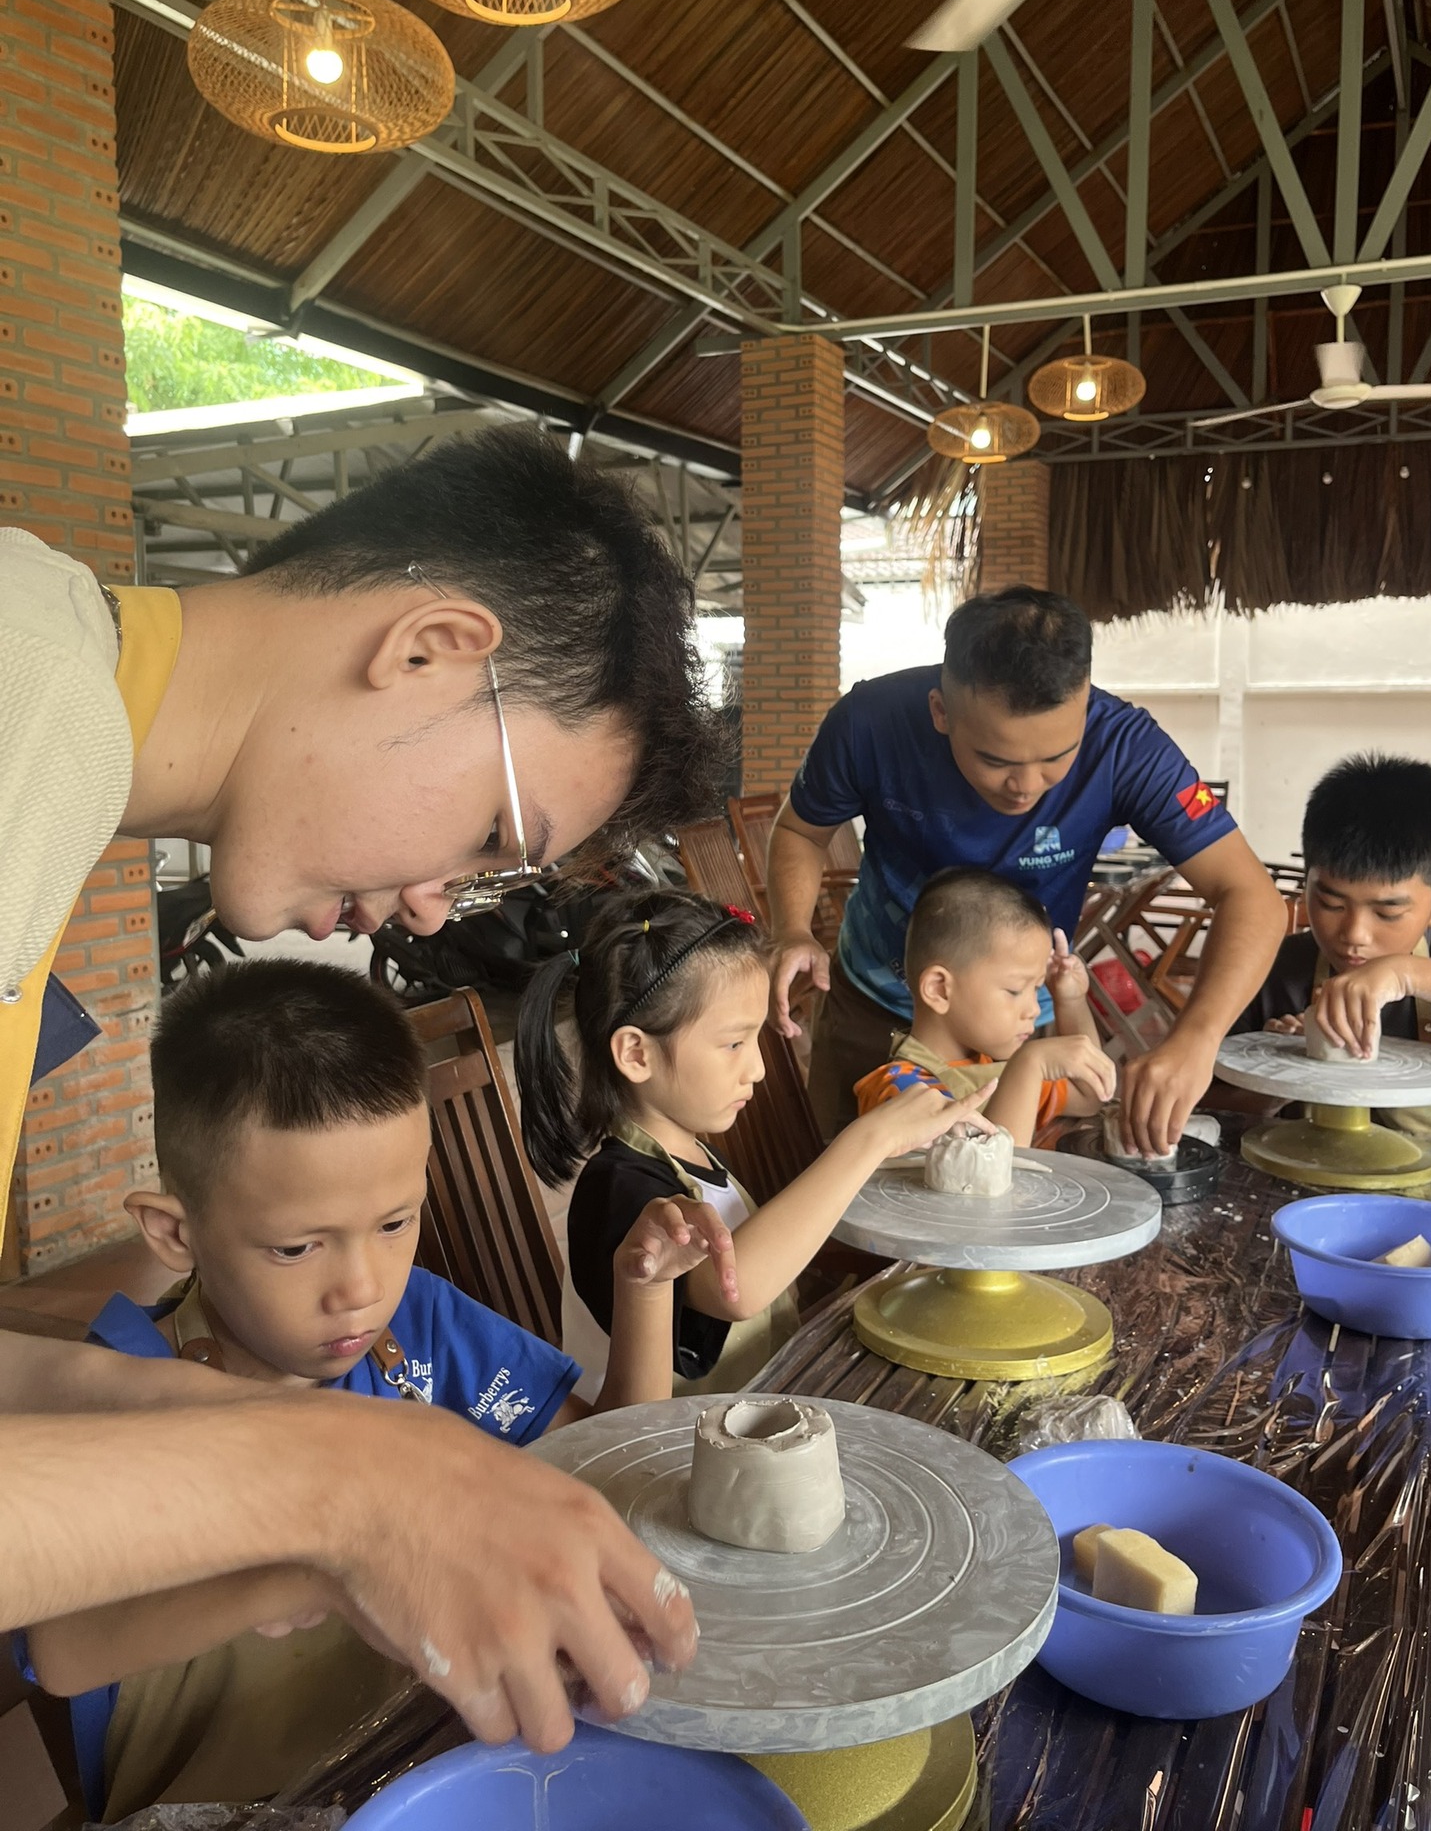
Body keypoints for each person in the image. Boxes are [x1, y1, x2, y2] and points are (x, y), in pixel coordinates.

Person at [0, 428, 721, 1742]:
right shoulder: (13, 721)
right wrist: (333, 1484)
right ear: (429, 649)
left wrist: (349, 1470)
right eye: (496, 837)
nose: (443, 900)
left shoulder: (50, 735)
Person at [25, 961, 731, 1819]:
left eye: (396, 1222)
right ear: (177, 1233)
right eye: (297, 1248)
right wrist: (327, 1559)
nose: (361, 1287)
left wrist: (643, 1294)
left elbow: (600, 1470)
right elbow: (65, 1647)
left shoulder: (423, 1331)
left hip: (437, 1779)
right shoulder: (119, 1388)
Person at [766, 585, 1286, 1153]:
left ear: (1085, 703)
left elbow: (1251, 897)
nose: (1026, 786)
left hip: (1015, 1020)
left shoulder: (1127, 748)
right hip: (874, 1006)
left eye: (1056, 758)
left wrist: (1196, 1039)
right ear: (942, 711)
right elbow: (800, 830)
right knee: (845, 1204)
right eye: (995, 760)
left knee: (1004, 1196)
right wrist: (792, 929)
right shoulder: (870, 723)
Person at [514, 889, 993, 1393]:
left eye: (757, 1040)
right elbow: (737, 1289)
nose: (759, 1069)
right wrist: (869, 1138)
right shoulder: (617, 1188)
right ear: (637, 1053)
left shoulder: (695, 1155)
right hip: (652, 1457)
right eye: (735, 1043)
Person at [1228, 755, 1431, 1134]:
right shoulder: (1275, 968)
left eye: (1387, 912)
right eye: (1331, 904)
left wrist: (1408, 974)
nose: (1354, 934)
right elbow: (1212, 1104)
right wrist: (1277, 1074)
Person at [853, 868, 1118, 1146]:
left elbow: (1089, 1096)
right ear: (940, 989)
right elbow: (983, 1180)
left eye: (1037, 988)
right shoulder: (900, 1091)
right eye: (1015, 990)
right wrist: (1029, 1064)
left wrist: (1071, 1001)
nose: (1034, 1010)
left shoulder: (997, 1070)